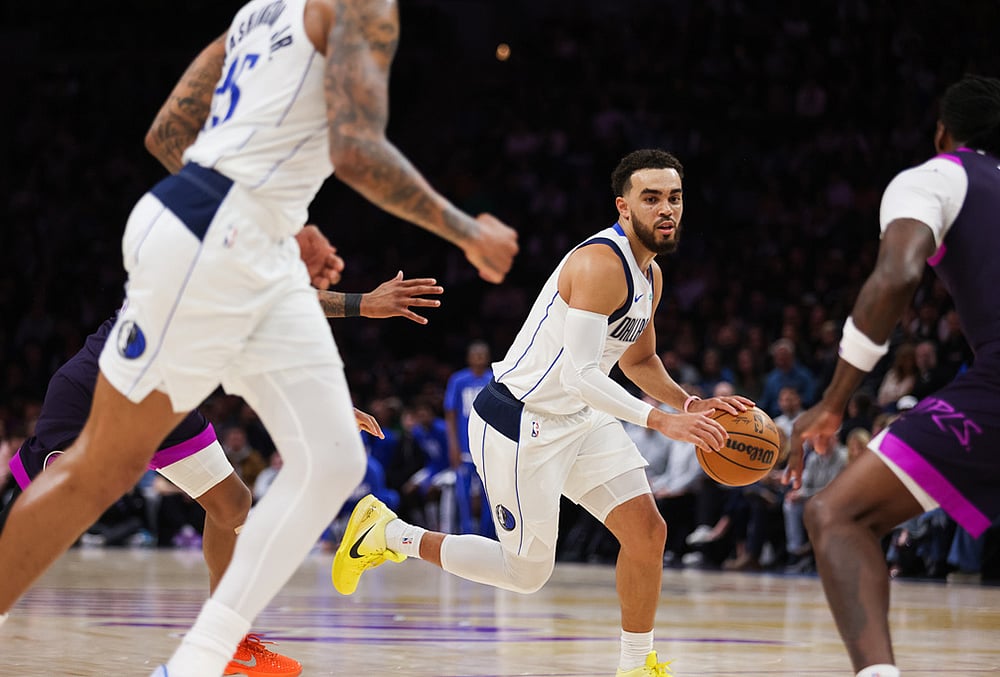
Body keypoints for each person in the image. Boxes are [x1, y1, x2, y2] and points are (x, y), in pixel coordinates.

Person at [0, 0, 518, 673]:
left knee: (333, 456)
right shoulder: (363, 6)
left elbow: (167, 135)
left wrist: (274, 213)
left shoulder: (258, 12)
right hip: (213, 237)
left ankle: (203, 659)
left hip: (229, 232)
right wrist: (466, 230)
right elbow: (356, 149)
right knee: (101, 468)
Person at [332, 148, 751, 677]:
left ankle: (635, 666)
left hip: (582, 417)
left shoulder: (652, 277)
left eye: (674, 198)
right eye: (652, 199)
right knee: (526, 573)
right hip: (519, 420)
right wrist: (662, 421)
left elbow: (639, 359)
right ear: (624, 208)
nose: (666, 209)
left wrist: (688, 403)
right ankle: (389, 535)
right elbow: (580, 374)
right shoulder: (600, 263)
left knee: (648, 532)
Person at [0, 264, 443, 674]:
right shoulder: (211, 241)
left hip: (167, 403)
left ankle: (225, 641)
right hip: (100, 391)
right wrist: (363, 304)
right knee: (35, 518)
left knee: (232, 503)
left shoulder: (249, 257)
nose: (326, 255)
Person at [786, 74, 1000, 677]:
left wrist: (832, 403)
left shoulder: (938, 175)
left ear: (942, 132)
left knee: (838, 515)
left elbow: (898, 274)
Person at [443, 340, 496, 537]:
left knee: (488, 497)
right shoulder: (458, 380)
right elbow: (450, 414)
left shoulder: (494, 380)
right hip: (464, 447)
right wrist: (453, 446)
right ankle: (466, 537)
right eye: (476, 353)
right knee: (463, 497)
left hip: (486, 449)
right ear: (468, 357)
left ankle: (487, 538)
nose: (479, 357)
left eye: (483, 353)